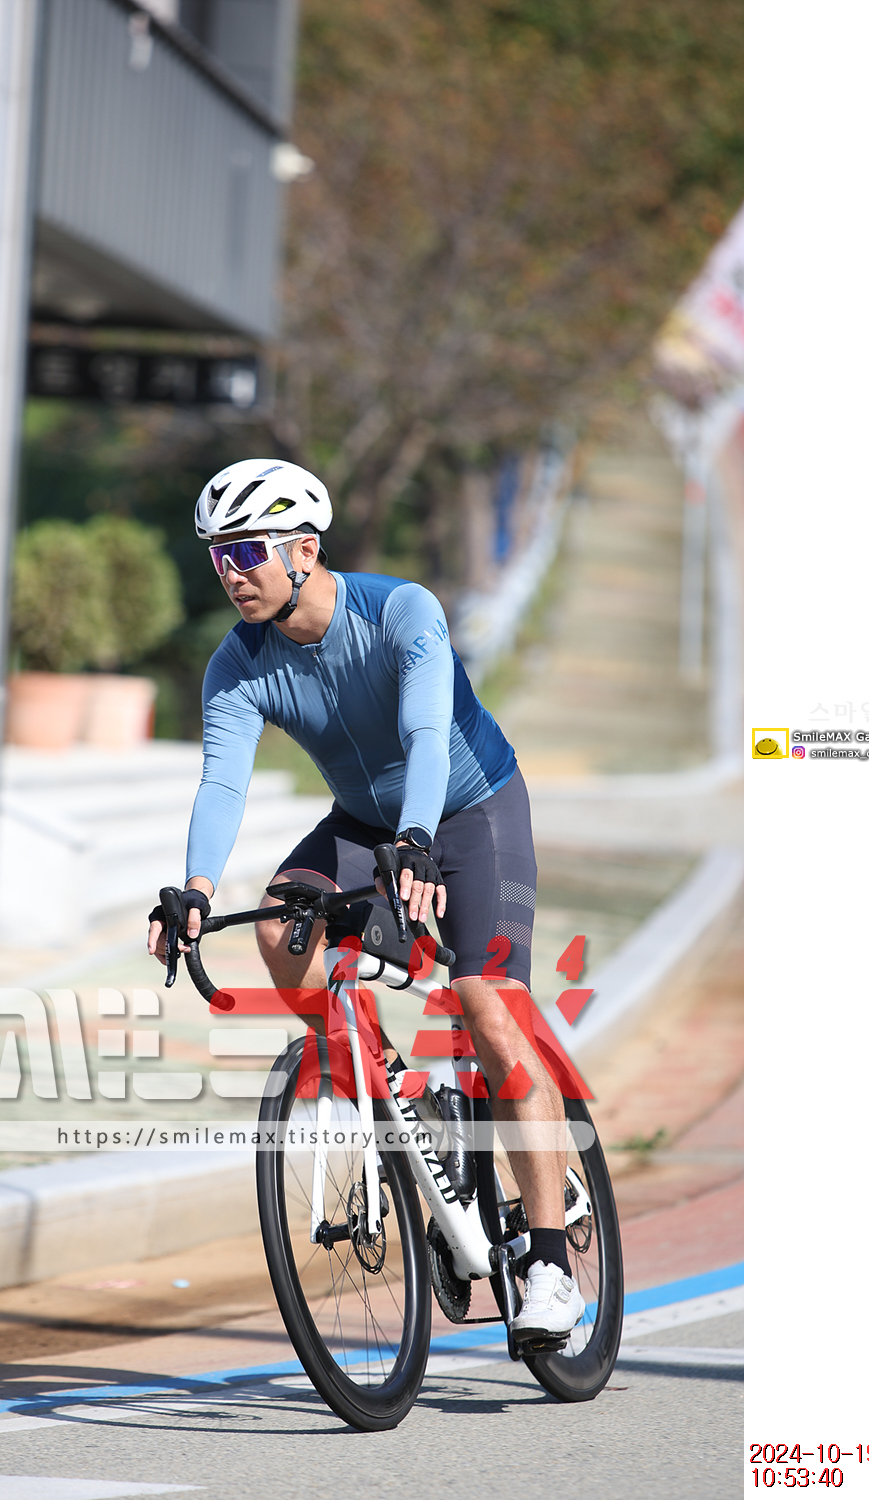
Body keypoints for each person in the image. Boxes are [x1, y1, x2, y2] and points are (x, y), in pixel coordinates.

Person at [146, 457, 583, 1342]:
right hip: (364, 822)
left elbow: (425, 733)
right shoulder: (238, 664)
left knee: (488, 1010)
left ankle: (549, 1265)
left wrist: (417, 838)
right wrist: (193, 890)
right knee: (279, 930)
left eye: (247, 551)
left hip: (470, 811)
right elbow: (223, 782)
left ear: (304, 550)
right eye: (218, 556)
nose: (231, 572)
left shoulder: (401, 611)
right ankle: (396, 1097)